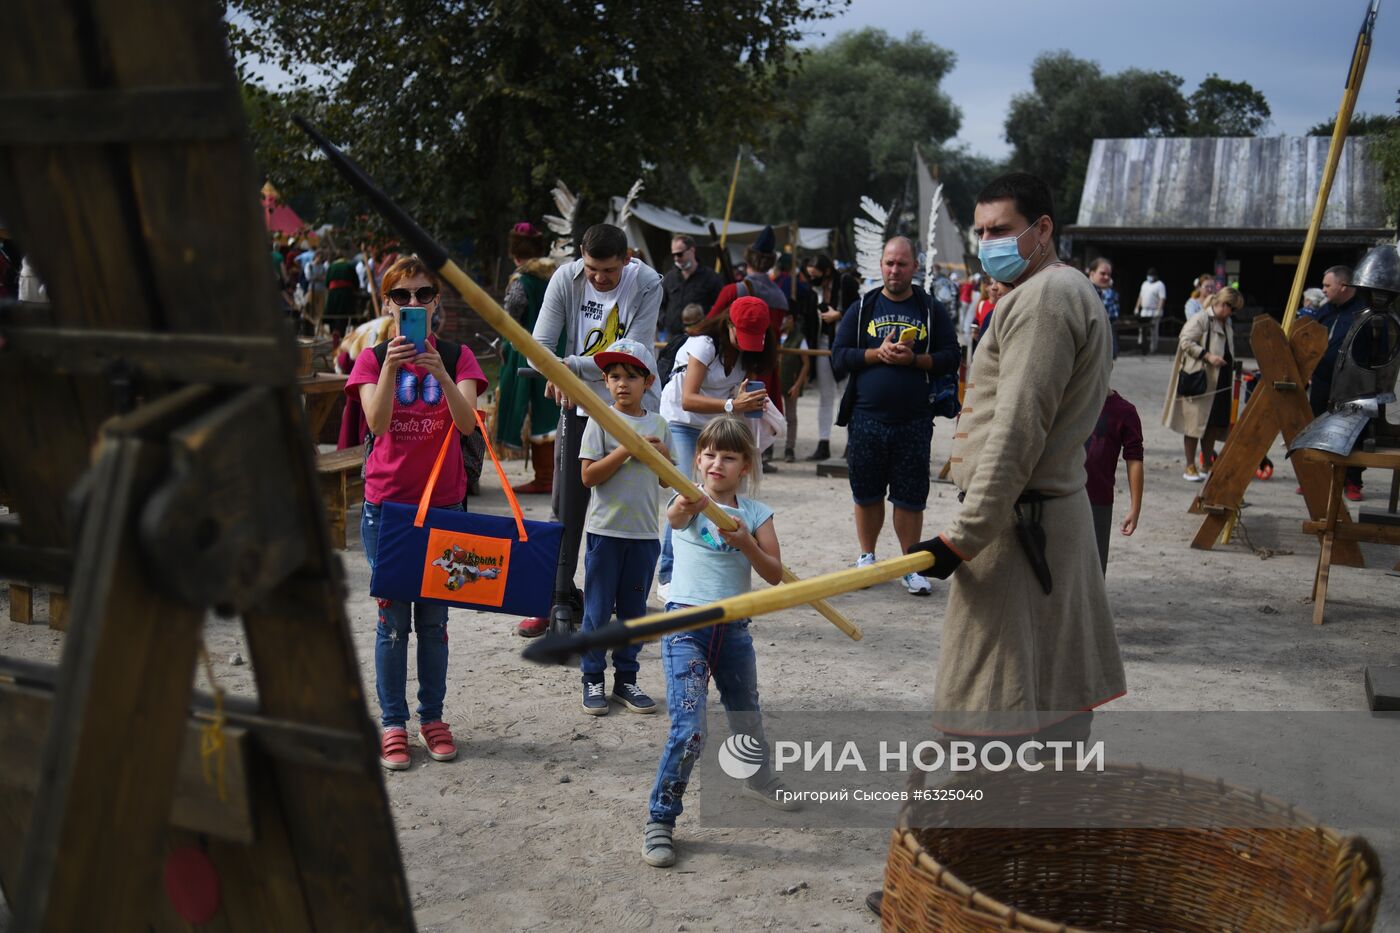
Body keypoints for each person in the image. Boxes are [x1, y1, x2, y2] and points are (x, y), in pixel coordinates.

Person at [915, 170, 1125, 766]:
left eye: (1000, 229)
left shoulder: (1048, 297)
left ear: (1041, 229)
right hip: (1039, 519)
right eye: (980, 231)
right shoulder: (1047, 292)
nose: (988, 243)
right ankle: (1031, 838)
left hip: (1019, 527)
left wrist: (965, 535)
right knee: (1044, 697)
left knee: (987, 711)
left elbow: (1018, 427)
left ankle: (987, 841)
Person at [345, 256, 488, 770]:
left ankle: (432, 718)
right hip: (387, 509)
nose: (412, 304)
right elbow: (378, 423)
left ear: (436, 302)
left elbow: (469, 424)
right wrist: (388, 367)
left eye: (423, 295)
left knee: (433, 622)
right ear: (386, 303)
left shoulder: (457, 354)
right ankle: (392, 723)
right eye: (401, 296)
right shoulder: (370, 358)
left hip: (443, 506)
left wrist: (441, 373)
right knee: (390, 625)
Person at [642, 416, 794, 869]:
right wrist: (694, 501)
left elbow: (772, 572)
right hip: (686, 627)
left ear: (745, 465)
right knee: (689, 729)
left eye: (728, 457)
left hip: (734, 631)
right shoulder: (687, 499)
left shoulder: (755, 513)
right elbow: (675, 516)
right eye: (708, 454)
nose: (716, 463)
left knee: (746, 715)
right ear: (698, 458)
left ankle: (759, 777)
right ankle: (660, 819)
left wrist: (746, 541)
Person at [523, 223, 662, 636]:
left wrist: (567, 367)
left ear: (628, 260)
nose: (599, 278)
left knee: (622, 511)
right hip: (576, 408)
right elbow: (537, 347)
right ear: (579, 256)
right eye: (592, 269)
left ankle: (618, 603)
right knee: (565, 507)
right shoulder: (566, 279)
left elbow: (631, 356)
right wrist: (556, 369)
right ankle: (554, 597)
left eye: (609, 271)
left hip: (627, 407)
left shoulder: (647, 283)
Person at [831, 236, 958, 597]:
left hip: (915, 419)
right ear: (881, 265)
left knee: (910, 497)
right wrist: (876, 354)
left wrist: (916, 360)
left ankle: (909, 564)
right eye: (889, 263)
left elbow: (952, 355)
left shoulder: (931, 309)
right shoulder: (863, 307)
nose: (894, 270)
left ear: (915, 267)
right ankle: (868, 558)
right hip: (866, 418)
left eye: (902, 263)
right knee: (866, 493)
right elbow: (838, 356)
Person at [656, 297, 774, 594]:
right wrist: (733, 403)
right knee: (686, 490)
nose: (747, 345)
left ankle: (715, 561)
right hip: (682, 419)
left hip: (717, 420)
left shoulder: (753, 352)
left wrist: (753, 403)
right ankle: (668, 576)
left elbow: (740, 396)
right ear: (729, 324)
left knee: (723, 492)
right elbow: (688, 398)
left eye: (754, 340)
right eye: (742, 336)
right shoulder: (704, 345)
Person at [577, 338, 670, 715]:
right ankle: (592, 678)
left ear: (647, 382)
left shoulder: (659, 423)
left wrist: (661, 455)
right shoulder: (600, 420)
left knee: (633, 613)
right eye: (614, 376)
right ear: (605, 380)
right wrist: (625, 450)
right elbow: (588, 477)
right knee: (598, 611)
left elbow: (668, 481)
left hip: (644, 535)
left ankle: (626, 679)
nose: (622, 384)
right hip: (606, 533)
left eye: (631, 377)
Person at [496, 222, 561, 506]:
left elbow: (510, 319)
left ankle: (545, 477)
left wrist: (505, 345)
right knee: (550, 409)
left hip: (529, 352)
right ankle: (551, 475)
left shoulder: (521, 280)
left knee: (534, 406)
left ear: (514, 253)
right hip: (558, 351)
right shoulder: (556, 276)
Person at [1301, 265, 1367, 500]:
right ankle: (1319, 476)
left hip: (1352, 384)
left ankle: (1352, 481)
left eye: (1328, 285)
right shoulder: (1325, 311)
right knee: (1317, 428)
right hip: (1321, 380)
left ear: (1343, 286)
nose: (1323, 289)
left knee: (1352, 432)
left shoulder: (1364, 312)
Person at [1163, 285, 1241, 481]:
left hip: (1221, 382)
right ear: (1224, 304)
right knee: (1193, 424)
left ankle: (1207, 463)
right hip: (1200, 380)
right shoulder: (1201, 318)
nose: (1234, 313)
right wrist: (1207, 356)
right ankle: (1190, 466)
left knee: (1213, 425)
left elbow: (1228, 351)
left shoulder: (1226, 323)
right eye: (1233, 308)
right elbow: (1185, 341)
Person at [710, 225, 788, 419]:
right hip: (764, 367)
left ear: (748, 259)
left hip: (736, 368)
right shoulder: (780, 296)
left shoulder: (733, 291)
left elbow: (710, 324)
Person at [802, 254, 860, 461]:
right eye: (809, 275)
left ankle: (851, 444)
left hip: (845, 346)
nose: (812, 278)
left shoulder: (844, 283)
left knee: (847, 395)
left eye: (815, 275)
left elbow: (859, 309)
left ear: (826, 271)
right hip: (822, 345)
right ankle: (823, 443)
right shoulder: (814, 291)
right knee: (825, 397)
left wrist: (840, 315)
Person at [1085, 391, 1144, 573]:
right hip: (1061, 495)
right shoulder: (1067, 401)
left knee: (1094, 569)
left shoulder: (1124, 411)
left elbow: (1134, 459)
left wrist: (1135, 508)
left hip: (1098, 501)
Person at [660, 235, 724, 340]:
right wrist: (664, 321)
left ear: (692, 250)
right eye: (674, 255)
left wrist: (707, 325)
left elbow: (720, 307)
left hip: (700, 337)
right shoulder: (670, 277)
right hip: (672, 337)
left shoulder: (710, 277)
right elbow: (659, 304)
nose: (676, 258)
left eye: (679, 254)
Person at [779, 308, 811, 462]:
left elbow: (806, 363)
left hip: (791, 382)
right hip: (775, 383)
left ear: (791, 319)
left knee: (791, 417)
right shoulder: (774, 335)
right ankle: (768, 448)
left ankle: (789, 448)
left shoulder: (799, 338)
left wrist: (798, 385)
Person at [1087, 258, 1119, 360]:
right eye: (1102, 273)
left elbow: (1113, 316)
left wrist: (1107, 292)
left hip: (1103, 346)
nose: (1106, 277)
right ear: (1092, 274)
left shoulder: (1110, 294)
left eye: (1109, 275)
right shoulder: (1082, 290)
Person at [1134, 267, 1167, 354]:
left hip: (1154, 311)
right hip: (1144, 310)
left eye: (1151, 276)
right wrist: (1137, 307)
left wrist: (1159, 310)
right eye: (1149, 275)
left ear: (1155, 276)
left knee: (1153, 331)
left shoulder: (1160, 284)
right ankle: (1141, 345)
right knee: (1141, 330)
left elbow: (1162, 298)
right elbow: (1140, 296)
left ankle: (1153, 348)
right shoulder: (1144, 284)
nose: (1150, 277)